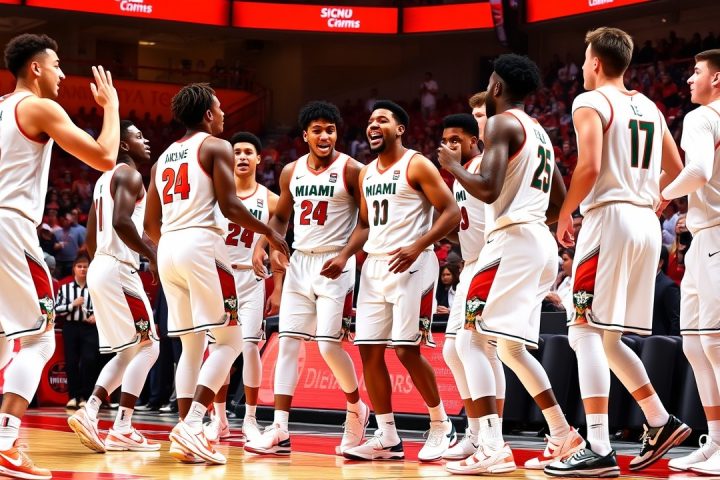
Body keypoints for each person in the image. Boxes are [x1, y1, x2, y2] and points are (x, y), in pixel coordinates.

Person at [548, 27, 688, 477]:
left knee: (582, 331)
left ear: (595, 62)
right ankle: (660, 421)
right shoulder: (649, 106)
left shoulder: (589, 102)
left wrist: (566, 212)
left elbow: (588, 166)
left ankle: (598, 445)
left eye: (584, 58)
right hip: (645, 224)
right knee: (607, 337)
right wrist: (658, 199)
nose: (582, 66)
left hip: (609, 219)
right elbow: (677, 169)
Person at [439, 54, 580, 475]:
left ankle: (492, 446)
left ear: (497, 87)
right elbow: (559, 202)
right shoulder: (540, 132)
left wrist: (452, 167)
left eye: (489, 83)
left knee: (469, 341)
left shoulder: (502, 123)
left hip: (512, 241)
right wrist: (532, 219)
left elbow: (487, 188)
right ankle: (562, 434)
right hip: (537, 242)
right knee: (510, 347)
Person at [143, 83, 288, 465]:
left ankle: (186, 433)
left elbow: (150, 224)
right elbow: (230, 206)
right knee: (231, 341)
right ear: (208, 114)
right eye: (220, 108)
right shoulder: (215, 146)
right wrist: (270, 232)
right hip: (202, 245)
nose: (223, 114)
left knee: (191, 346)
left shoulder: (162, 159)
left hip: (168, 247)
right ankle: (194, 423)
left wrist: (168, 248)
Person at [0, 33, 119, 479]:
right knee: (39, 339)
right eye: (56, 65)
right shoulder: (37, 106)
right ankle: (5, 444)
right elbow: (105, 157)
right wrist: (111, 107)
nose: (63, 74)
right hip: (9, 225)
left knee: (3, 340)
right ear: (35, 68)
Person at [244, 101, 369, 456]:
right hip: (300, 262)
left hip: (336, 263)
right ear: (305, 135)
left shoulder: (353, 170)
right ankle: (280, 428)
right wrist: (270, 245)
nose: (324, 136)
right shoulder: (291, 171)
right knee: (287, 344)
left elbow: (365, 223)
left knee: (328, 345)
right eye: (317, 130)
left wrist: (345, 256)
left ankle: (356, 408)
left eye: (330, 130)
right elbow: (280, 218)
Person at [340, 100, 460, 462]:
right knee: (368, 351)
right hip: (374, 266)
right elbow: (364, 224)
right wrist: (344, 255)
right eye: (370, 121)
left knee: (406, 350)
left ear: (400, 129)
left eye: (382, 120)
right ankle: (388, 435)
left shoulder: (416, 163)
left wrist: (418, 245)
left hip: (413, 264)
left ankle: (442, 425)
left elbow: (451, 212)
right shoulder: (365, 173)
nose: (373, 126)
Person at [67, 120, 161, 453]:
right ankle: (121, 426)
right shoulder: (130, 175)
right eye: (138, 136)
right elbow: (121, 222)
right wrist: (151, 254)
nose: (145, 140)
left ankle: (92, 410)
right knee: (150, 346)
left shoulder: (102, 180)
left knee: (128, 350)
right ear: (123, 145)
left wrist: (102, 265)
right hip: (117, 268)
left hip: (101, 266)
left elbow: (92, 234)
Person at [435, 108, 506, 463]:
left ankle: (494, 437)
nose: (449, 146)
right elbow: (463, 227)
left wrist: (453, 167)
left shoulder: (480, 167)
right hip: (471, 265)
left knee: (480, 348)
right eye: (444, 141)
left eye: (456, 140)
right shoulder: (459, 177)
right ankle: (476, 433)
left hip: (493, 261)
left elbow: (491, 196)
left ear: (473, 141)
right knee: (452, 350)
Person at [661, 48, 720, 475]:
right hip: (704, 238)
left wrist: (662, 195)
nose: (689, 79)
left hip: (715, 235)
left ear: (717, 79)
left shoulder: (702, 117)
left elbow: (697, 170)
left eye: (696, 72)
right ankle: (714, 439)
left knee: (713, 343)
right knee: (696, 344)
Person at [202, 131, 282, 444]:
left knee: (249, 347)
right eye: (237, 152)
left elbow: (278, 248)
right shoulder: (214, 194)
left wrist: (277, 287)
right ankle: (219, 419)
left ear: (259, 158)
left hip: (251, 280)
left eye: (249, 152)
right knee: (218, 350)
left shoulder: (270, 199)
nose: (242, 157)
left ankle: (249, 418)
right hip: (220, 278)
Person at [56, 253, 98, 409]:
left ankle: (86, 397)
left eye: (85, 267)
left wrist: (97, 316)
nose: (82, 269)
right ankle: (73, 396)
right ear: (74, 268)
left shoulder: (95, 288)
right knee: (71, 362)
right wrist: (72, 305)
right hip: (71, 327)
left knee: (89, 361)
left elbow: (104, 308)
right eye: (79, 266)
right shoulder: (64, 288)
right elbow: (56, 309)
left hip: (90, 329)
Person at [651, 246, 680, 336]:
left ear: (660, 263)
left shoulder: (669, 286)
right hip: (637, 337)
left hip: (659, 339)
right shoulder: (641, 282)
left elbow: (675, 320)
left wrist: (670, 342)